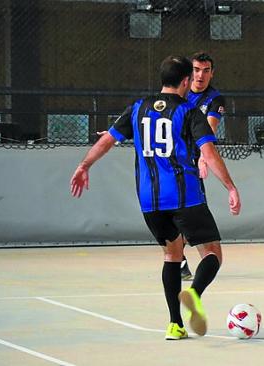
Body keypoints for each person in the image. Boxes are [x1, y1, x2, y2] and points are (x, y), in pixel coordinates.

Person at [70, 55, 241, 339]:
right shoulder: (189, 112)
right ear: (186, 81)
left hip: (149, 201)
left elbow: (107, 140)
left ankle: (175, 325)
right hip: (185, 196)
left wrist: (84, 165)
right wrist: (231, 187)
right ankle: (194, 295)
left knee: (172, 255)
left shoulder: (138, 109)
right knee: (212, 253)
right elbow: (209, 154)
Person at [178, 51, 227, 281]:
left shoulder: (215, 100)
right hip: (170, 163)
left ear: (212, 73)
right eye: (197, 70)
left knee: (191, 217)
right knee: (176, 216)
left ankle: (194, 262)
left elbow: (209, 131)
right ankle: (180, 260)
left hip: (193, 166)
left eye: (206, 71)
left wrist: (202, 158)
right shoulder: (179, 92)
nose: (201, 75)